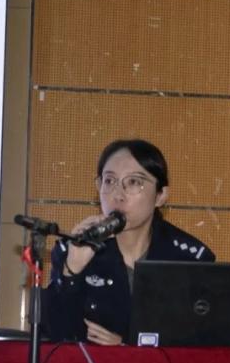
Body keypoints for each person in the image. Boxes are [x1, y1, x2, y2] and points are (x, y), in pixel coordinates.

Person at [41, 139, 215, 345]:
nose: (118, 195)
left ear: (160, 196)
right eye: (109, 181)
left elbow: (202, 343)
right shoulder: (72, 249)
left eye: (133, 182)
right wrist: (72, 271)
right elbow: (52, 336)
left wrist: (127, 348)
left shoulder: (190, 258)